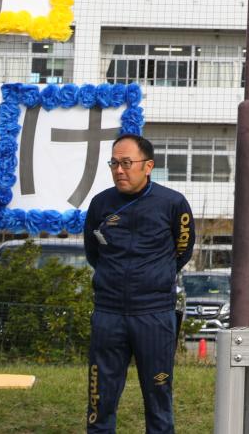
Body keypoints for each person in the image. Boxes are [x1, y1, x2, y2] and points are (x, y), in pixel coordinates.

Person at [82, 135, 193, 434]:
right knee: (99, 399)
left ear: (148, 166)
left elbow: (182, 250)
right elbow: (94, 253)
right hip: (108, 314)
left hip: (154, 315)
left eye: (127, 163)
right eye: (114, 163)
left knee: (158, 397)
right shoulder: (100, 203)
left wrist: (154, 278)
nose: (119, 170)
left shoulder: (172, 204)